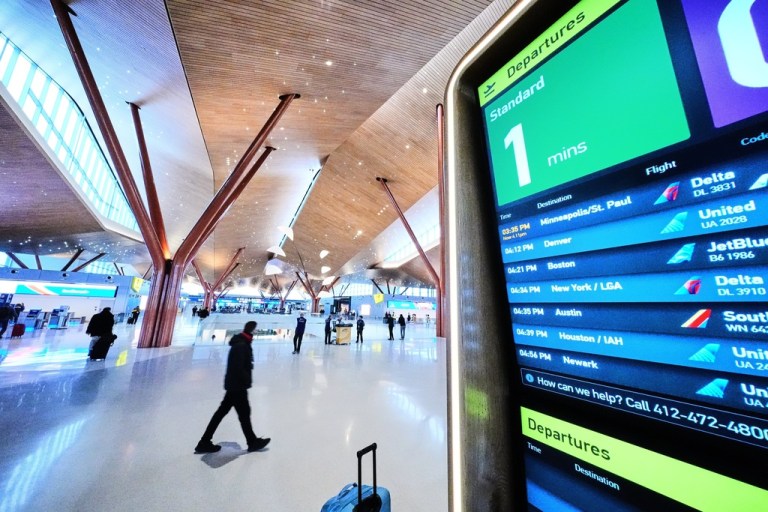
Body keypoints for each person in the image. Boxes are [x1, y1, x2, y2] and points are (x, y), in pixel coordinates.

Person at [195, 321, 270, 454]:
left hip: (234, 385)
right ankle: (251, 441)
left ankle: (205, 441)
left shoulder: (242, 342)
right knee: (243, 414)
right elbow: (238, 367)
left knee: (229, 413)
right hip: (237, 386)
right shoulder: (241, 345)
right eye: (255, 330)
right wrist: (246, 380)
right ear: (251, 331)